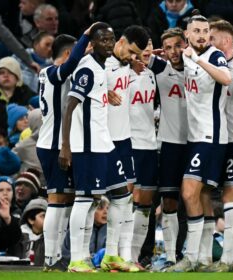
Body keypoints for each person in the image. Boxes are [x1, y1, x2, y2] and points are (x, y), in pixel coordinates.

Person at [59, 22, 139, 273]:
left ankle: (111, 256)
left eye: (111, 39)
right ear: (92, 44)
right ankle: (77, 259)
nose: (108, 43)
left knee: (123, 197)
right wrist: (66, 146)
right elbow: (69, 106)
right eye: (103, 40)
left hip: (105, 145)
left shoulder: (101, 68)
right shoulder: (87, 70)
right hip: (88, 147)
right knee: (85, 200)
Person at [166, 12, 231, 272]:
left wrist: (197, 60)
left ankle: (190, 256)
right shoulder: (186, 56)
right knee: (202, 195)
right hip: (194, 137)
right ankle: (204, 256)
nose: (203, 35)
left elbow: (226, 79)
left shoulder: (213, 55)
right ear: (187, 36)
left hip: (211, 136)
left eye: (206, 31)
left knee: (189, 192)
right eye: (198, 31)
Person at [36, 24, 95, 271]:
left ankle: (58, 255)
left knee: (65, 201)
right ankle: (50, 258)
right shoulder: (54, 72)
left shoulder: (48, 73)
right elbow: (70, 65)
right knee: (57, 200)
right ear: (70, 53)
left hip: (54, 143)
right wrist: (86, 38)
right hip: (54, 145)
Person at [203, 19, 233, 272]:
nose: (208, 42)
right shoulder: (214, 65)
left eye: (212, 38)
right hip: (223, 138)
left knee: (232, 197)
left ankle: (226, 260)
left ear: (227, 40)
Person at [104, 25, 150, 262]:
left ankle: (123, 257)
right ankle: (108, 254)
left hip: (124, 140)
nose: (132, 57)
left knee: (127, 199)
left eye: (136, 54)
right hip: (104, 142)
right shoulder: (101, 64)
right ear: (120, 41)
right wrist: (103, 91)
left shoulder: (125, 64)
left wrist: (135, 61)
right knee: (96, 200)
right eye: (130, 51)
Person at [147, 27, 187, 269]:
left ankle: (194, 254)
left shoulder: (200, 68)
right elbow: (133, 53)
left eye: (178, 46)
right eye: (169, 47)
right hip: (171, 143)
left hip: (198, 142)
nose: (174, 52)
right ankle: (171, 256)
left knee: (196, 200)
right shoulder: (162, 69)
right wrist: (151, 51)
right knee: (170, 202)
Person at [128, 39, 159, 264]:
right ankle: (119, 254)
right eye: (142, 47)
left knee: (146, 203)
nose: (147, 51)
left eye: (149, 47)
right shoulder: (120, 73)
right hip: (129, 144)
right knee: (125, 202)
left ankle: (135, 257)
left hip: (149, 145)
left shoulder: (152, 73)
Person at [0, 57, 36, 130]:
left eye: (10, 72)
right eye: (2, 72)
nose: (6, 76)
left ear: (17, 76)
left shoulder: (28, 95)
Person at [62, 196, 110, 267]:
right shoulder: (77, 228)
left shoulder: (111, 230)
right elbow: (66, 254)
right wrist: (91, 259)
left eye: (108, 208)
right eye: (100, 208)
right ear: (90, 210)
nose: (105, 212)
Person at [13, 198, 48, 266]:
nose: (47, 219)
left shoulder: (50, 240)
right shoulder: (17, 238)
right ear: (31, 219)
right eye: (43, 216)